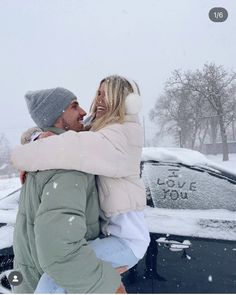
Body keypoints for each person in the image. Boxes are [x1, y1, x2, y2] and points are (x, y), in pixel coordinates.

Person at [12, 76, 150, 293]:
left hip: (128, 239)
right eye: (99, 92)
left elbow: (73, 145)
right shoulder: (98, 131)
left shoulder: (121, 134)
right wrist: (36, 138)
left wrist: (25, 154)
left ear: (123, 101)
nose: (98, 100)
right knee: (56, 278)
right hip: (112, 236)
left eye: (107, 94)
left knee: (52, 282)